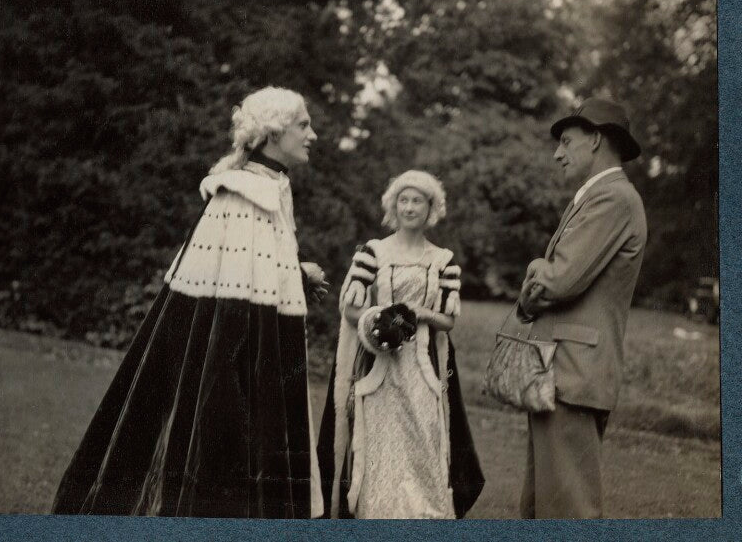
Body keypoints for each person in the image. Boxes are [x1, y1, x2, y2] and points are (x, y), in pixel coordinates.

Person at [52, 86, 329, 518]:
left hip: (259, 354)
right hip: (232, 370)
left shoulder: (272, 188)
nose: (312, 134)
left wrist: (296, 274)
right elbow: (229, 311)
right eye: (303, 125)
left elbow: (251, 274)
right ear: (274, 133)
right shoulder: (243, 194)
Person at [317, 170, 484, 519]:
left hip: (422, 371)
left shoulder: (443, 260)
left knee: (424, 440)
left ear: (431, 208)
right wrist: (380, 321)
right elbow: (349, 309)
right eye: (403, 200)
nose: (409, 208)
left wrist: (420, 313)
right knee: (379, 447)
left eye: (417, 201)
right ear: (393, 206)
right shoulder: (373, 253)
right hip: (380, 367)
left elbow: (449, 320)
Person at [517, 97, 647, 518]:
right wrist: (542, 279)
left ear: (594, 140)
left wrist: (537, 266)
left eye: (566, 141)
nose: (557, 153)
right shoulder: (595, 197)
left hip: (572, 373)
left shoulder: (613, 198)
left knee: (568, 512)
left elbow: (559, 281)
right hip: (559, 372)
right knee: (540, 508)